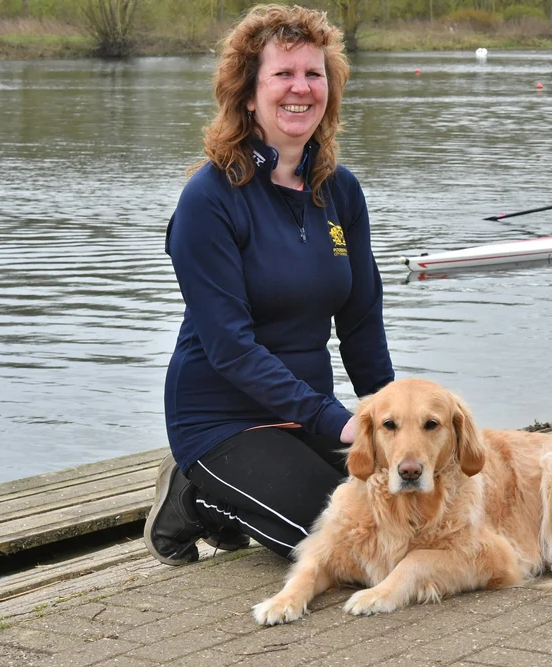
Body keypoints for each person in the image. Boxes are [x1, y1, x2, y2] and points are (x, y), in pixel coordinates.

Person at [144, 4, 394, 565]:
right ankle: (195, 496)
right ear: (249, 94)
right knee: (354, 551)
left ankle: (235, 494)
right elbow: (230, 347)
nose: (300, 88)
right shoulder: (209, 200)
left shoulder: (342, 191)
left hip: (307, 413)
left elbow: (361, 322)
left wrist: (391, 417)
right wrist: (339, 422)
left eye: (314, 73)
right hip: (221, 417)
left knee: (411, 506)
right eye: (283, 74)